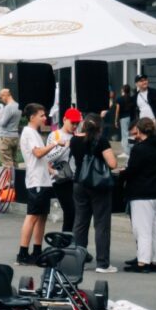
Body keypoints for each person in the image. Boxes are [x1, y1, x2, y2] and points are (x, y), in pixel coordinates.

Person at [119, 118, 156, 273]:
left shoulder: (139, 149)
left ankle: (143, 262)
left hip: (143, 193)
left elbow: (132, 170)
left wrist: (122, 175)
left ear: (139, 131)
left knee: (143, 229)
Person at [70, 113, 119, 273]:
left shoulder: (74, 140)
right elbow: (112, 163)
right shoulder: (101, 141)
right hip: (98, 185)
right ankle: (102, 263)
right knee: (101, 224)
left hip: (79, 182)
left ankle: (78, 260)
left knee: (80, 223)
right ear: (99, 127)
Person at [17, 103, 58, 266]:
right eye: (41, 115)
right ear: (32, 117)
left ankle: (37, 250)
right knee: (33, 216)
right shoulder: (29, 132)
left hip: (43, 179)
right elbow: (38, 153)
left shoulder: (34, 133)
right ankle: (23, 252)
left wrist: (49, 168)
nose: (45, 118)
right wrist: (54, 144)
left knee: (42, 217)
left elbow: (39, 158)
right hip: (36, 181)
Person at [46, 108, 82, 234]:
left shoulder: (77, 135)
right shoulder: (55, 135)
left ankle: (71, 240)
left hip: (75, 177)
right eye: (72, 123)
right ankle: (65, 240)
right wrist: (65, 146)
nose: (75, 126)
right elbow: (48, 157)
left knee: (77, 212)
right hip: (60, 178)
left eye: (77, 123)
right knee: (70, 210)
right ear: (64, 120)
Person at [0, 88, 21, 169]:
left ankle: (10, 181)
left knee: (7, 164)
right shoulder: (18, 105)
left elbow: (2, 123)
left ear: (5, 96)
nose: (1, 100)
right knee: (14, 162)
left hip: (5, 138)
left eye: (1, 98)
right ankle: (17, 180)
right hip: (14, 136)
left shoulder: (8, 107)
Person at [114, 84, 134, 156]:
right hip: (131, 118)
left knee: (124, 135)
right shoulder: (131, 98)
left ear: (122, 90)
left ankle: (126, 152)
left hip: (123, 118)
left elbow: (117, 111)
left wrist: (116, 120)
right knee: (129, 134)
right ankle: (129, 151)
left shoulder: (119, 99)